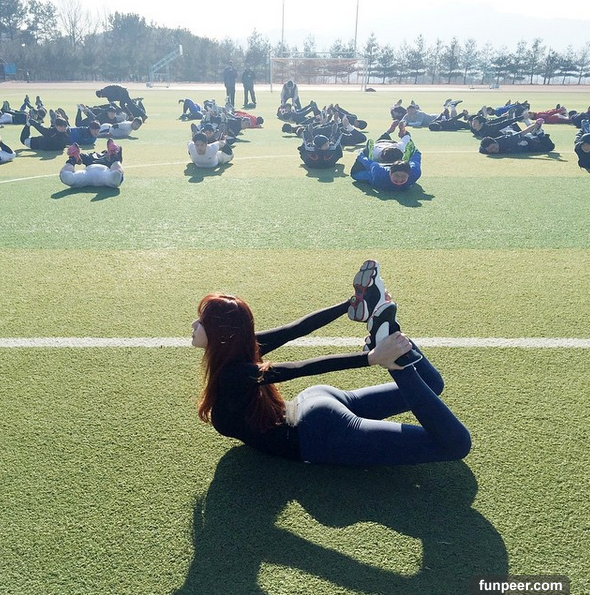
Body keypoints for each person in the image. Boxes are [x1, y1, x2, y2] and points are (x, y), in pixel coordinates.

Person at [191, 260, 471, 466]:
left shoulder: (232, 371)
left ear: (220, 334)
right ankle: (393, 338)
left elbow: (299, 363)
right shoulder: (239, 355)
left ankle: (393, 351)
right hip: (315, 401)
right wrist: (352, 306)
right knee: (431, 384)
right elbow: (296, 330)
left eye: (201, 322)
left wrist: (370, 355)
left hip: (318, 432)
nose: (194, 325)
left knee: (456, 445)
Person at [350, 122, 422, 191]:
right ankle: (395, 132)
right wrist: (362, 155)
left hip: (391, 147)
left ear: (409, 175)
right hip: (381, 145)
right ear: (390, 173)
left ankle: (391, 131)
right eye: (396, 176)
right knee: (356, 173)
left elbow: (416, 156)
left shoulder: (414, 172)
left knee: (356, 173)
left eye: (403, 176)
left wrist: (361, 155)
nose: (399, 180)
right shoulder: (379, 172)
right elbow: (368, 162)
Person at [60, 141, 124, 188]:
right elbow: (80, 159)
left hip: (96, 172)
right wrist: (75, 157)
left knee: (115, 174)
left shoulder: (92, 155)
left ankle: (114, 155)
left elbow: (80, 159)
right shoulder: (92, 155)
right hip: (95, 172)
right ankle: (72, 160)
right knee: (68, 176)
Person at [478, 118, 555, 155]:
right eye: (490, 150)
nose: (493, 150)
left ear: (495, 142)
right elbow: (481, 149)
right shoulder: (485, 149)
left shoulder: (506, 140)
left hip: (525, 144)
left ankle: (539, 132)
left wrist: (535, 125)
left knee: (550, 147)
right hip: (518, 148)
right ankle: (537, 133)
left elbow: (522, 133)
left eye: (493, 147)